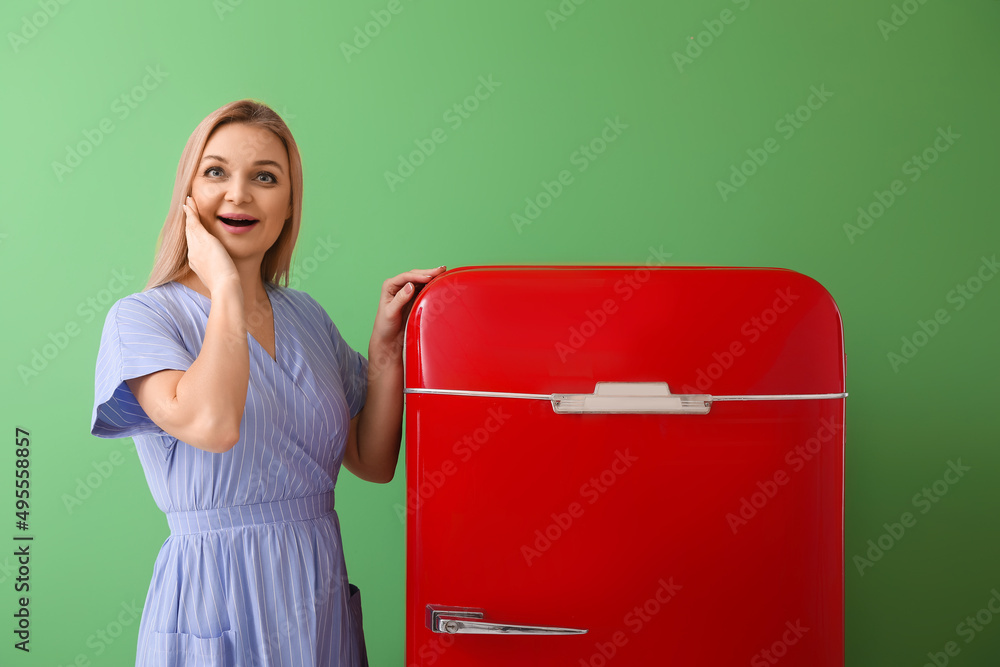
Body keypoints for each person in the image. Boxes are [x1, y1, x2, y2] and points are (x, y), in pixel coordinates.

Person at [89, 99, 445, 666]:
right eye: (216, 172)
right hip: (214, 601)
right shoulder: (142, 319)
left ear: (288, 205)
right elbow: (213, 423)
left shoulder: (307, 316)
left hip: (316, 596)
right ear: (187, 194)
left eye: (264, 177)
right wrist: (226, 289)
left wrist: (385, 348)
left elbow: (372, 461)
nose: (239, 193)